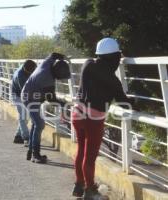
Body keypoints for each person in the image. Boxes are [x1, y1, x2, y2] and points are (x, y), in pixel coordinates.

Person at [71, 38, 134, 199]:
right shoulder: (113, 81)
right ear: (114, 57)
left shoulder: (88, 63)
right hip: (93, 119)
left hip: (77, 113)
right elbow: (124, 102)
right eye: (118, 56)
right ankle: (90, 191)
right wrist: (136, 102)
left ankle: (79, 185)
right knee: (90, 157)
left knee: (81, 152)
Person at [21, 53, 71, 163]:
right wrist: (64, 104)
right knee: (39, 124)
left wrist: (63, 57)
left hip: (31, 94)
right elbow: (52, 99)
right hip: (30, 98)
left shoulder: (47, 64)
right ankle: (35, 155)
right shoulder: (47, 79)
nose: (60, 79)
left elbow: (53, 54)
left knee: (35, 123)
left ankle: (31, 152)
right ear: (58, 73)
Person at [11, 60, 37, 146]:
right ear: (26, 70)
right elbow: (25, 91)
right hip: (17, 95)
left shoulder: (28, 67)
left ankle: (18, 136)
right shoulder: (20, 75)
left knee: (25, 117)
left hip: (23, 93)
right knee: (23, 116)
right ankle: (26, 137)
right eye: (31, 72)